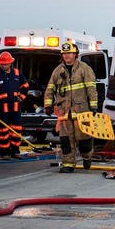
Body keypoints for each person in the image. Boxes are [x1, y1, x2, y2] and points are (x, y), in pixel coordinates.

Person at [44, 42, 98, 173]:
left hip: (81, 112)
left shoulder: (84, 69)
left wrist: (94, 106)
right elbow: (50, 89)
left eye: (69, 53)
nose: (67, 56)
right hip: (64, 112)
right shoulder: (57, 71)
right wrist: (48, 105)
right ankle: (68, 164)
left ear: (75, 54)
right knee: (66, 140)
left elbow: (91, 88)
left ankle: (87, 157)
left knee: (84, 139)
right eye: (65, 54)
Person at [0, 51, 29, 159]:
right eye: (2, 64)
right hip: (2, 108)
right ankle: (5, 152)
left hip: (15, 107)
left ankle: (15, 151)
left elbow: (25, 85)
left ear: (10, 63)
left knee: (16, 130)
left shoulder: (17, 74)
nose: (3, 65)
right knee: (3, 131)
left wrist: (22, 97)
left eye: (5, 63)